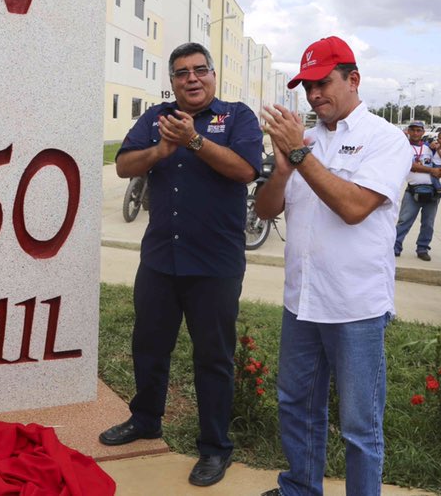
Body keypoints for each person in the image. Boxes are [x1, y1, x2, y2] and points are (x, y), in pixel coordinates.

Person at [97, 42, 262, 488]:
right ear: (171, 81)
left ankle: (215, 447)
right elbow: (123, 165)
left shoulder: (238, 117)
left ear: (213, 75)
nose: (192, 78)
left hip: (214, 264)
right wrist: (160, 150)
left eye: (199, 70)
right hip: (160, 259)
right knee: (149, 346)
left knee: (213, 357)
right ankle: (145, 420)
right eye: (181, 72)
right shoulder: (157, 118)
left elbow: (246, 170)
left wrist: (194, 141)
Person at [255, 36, 409, 496]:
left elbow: (354, 207)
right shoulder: (304, 141)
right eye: (307, 86)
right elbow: (265, 210)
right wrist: (283, 169)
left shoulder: (385, 139)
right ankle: (300, 489)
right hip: (302, 302)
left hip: (355, 307)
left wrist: (299, 157)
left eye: (322, 82)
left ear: (353, 79)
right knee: (296, 405)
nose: (314, 94)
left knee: (360, 425)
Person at [394, 120, 441, 261]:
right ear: (408, 131)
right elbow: (411, 166)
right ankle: (395, 247)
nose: (416, 133)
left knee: (428, 223)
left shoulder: (429, 148)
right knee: (404, 221)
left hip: (432, 191)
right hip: (412, 191)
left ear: (423, 132)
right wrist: (431, 170)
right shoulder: (403, 147)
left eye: (418, 130)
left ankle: (423, 248)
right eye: (413, 130)